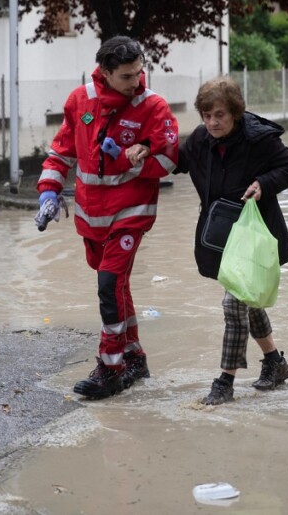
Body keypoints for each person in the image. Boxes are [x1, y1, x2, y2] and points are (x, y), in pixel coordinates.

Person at [35, 36, 179, 400]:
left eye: (139, 73)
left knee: (109, 283)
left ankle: (110, 367)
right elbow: (61, 153)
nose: (137, 82)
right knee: (116, 285)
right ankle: (134, 357)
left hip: (131, 211)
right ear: (105, 73)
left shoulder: (153, 107)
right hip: (91, 213)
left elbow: (169, 162)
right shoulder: (80, 101)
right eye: (127, 76)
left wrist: (141, 155)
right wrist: (48, 193)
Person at [175, 76, 288, 405]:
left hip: (254, 238)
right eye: (206, 115)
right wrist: (144, 150)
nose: (212, 122)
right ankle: (275, 364)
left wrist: (263, 183)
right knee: (249, 300)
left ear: (234, 112)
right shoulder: (201, 139)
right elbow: (177, 159)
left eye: (219, 114)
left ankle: (225, 382)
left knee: (234, 305)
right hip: (220, 238)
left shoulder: (258, 139)